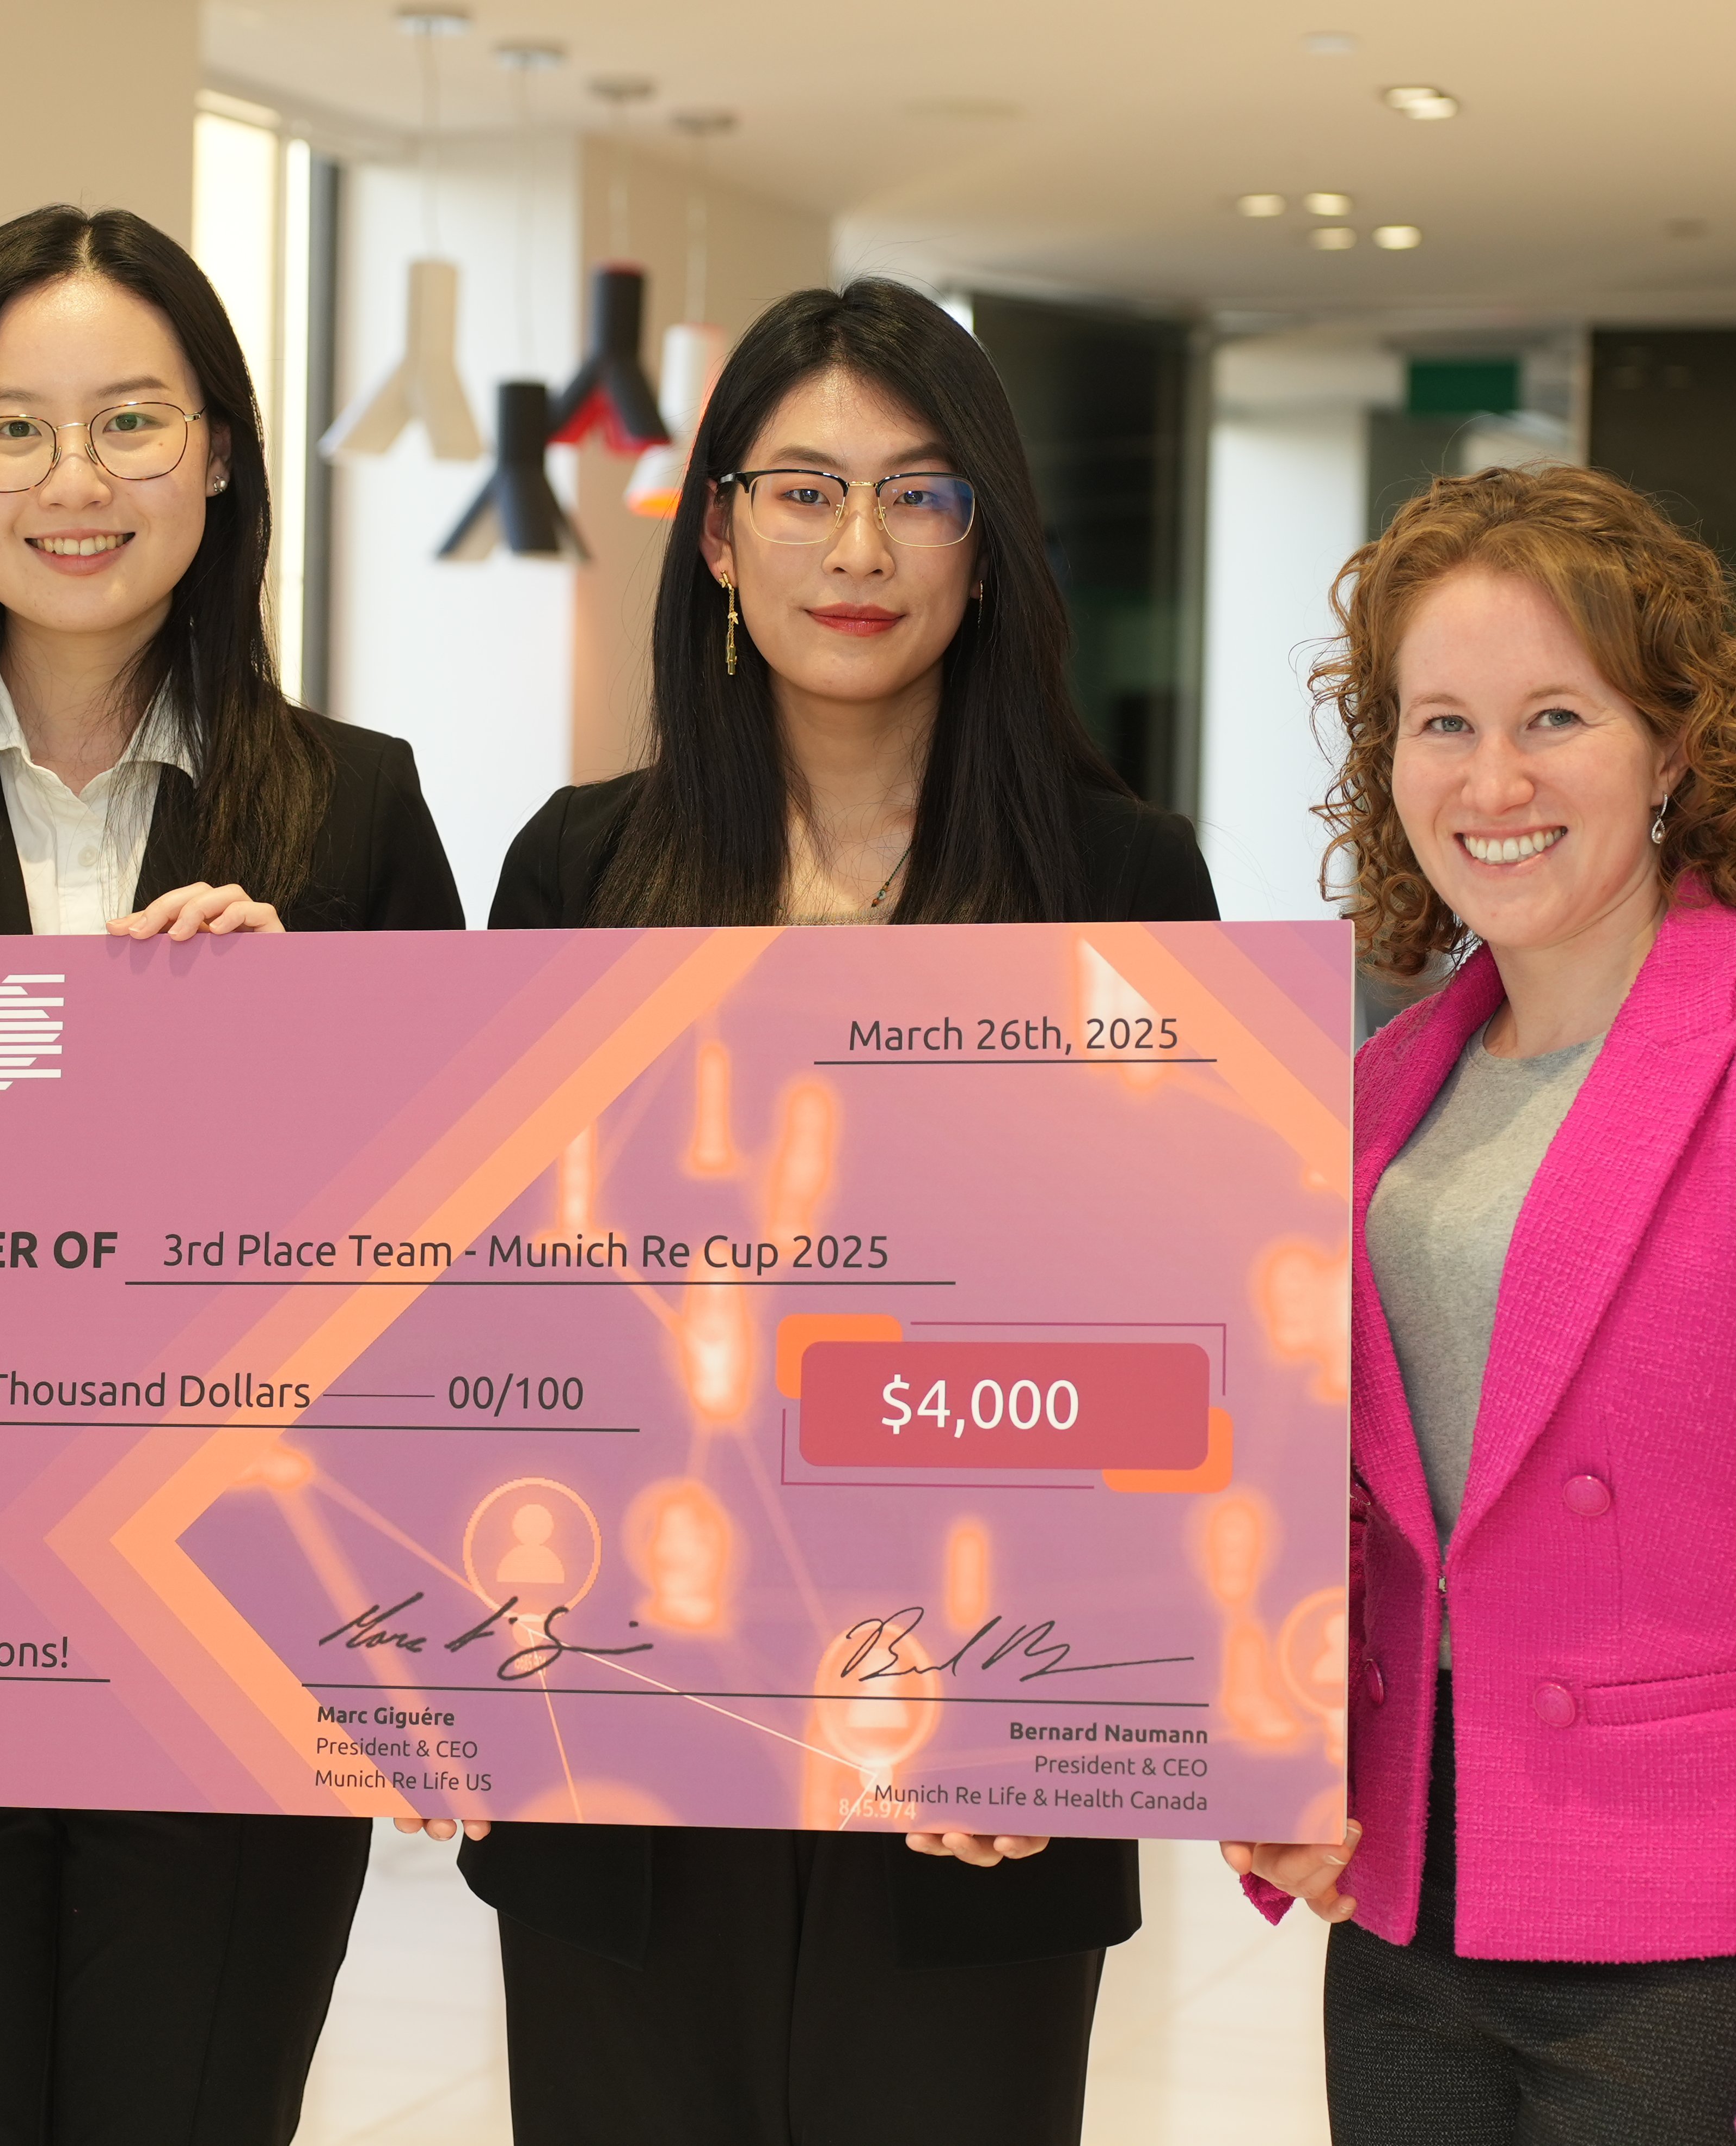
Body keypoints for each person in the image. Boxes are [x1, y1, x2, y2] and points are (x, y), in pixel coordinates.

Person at [0, 204, 461, 2143]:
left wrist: (313, 1053)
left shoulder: (354, 812)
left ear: (220, 448)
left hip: (230, 1662)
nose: (77, 481)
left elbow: (469, 1255)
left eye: (132, 421)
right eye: (13, 430)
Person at [464, 277, 1214, 2145]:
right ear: (716, 537)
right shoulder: (576, 872)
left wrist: (1082, 1711)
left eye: (919, 491)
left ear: (988, 545)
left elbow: (1181, 1359)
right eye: (801, 491)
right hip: (625, 1756)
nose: (858, 546)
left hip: (984, 1772)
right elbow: (491, 1322)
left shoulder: (1121, 878)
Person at [1227, 464, 1736, 2146]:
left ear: (1675, 745)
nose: (1492, 781)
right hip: (1414, 1926)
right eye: (1440, 724)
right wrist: (1271, 1779)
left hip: (1696, 1959)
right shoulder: (1371, 1094)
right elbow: (1343, 1522)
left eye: (1554, 716)